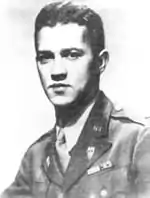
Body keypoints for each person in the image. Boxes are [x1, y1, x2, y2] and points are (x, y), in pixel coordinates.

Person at [1, 1, 150, 198]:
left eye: (72, 55)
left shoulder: (137, 140)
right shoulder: (36, 158)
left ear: (100, 63)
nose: (57, 71)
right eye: (45, 57)